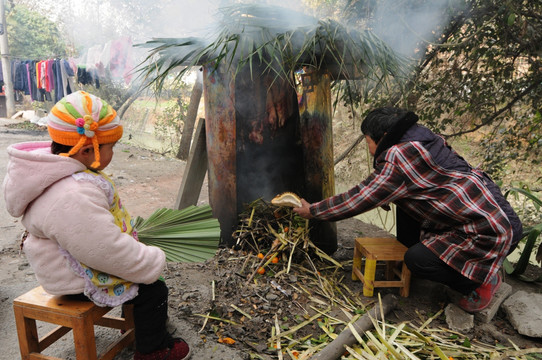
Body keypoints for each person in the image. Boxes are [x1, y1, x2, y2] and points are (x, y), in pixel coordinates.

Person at [3, 91, 191, 360]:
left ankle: (146, 329)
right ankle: (154, 350)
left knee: (143, 277)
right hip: (74, 277)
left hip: (60, 264)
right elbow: (103, 249)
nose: (113, 152)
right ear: (88, 149)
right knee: (153, 289)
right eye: (110, 146)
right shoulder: (72, 195)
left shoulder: (54, 170)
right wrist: (149, 261)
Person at [293, 107, 523, 312]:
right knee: (404, 208)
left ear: (382, 137)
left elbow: (359, 198)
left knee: (417, 260)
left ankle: (481, 280)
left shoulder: (398, 157)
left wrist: (314, 211)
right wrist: (385, 194)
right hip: (497, 218)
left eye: (368, 142)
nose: (370, 149)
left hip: (488, 232)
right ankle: (441, 262)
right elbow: (412, 185)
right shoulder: (421, 138)